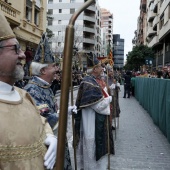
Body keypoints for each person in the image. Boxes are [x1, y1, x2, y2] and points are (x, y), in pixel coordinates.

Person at [0, 11, 57, 170]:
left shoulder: (24, 96)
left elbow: (41, 121)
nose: (22, 54)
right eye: (15, 48)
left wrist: (50, 136)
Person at [24, 33, 76, 170]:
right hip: (46, 149)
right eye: (54, 66)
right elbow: (42, 120)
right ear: (43, 70)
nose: (57, 69)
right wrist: (63, 113)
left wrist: (62, 112)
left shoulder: (46, 87)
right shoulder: (33, 90)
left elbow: (51, 111)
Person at [74, 52, 114, 170]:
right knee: (93, 147)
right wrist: (109, 99)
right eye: (100, 66)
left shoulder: (92, 80)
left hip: (93, 119)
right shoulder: (89, 82)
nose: (102, 68)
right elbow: (98, 106)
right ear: (95, 69)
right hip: (91, 120)